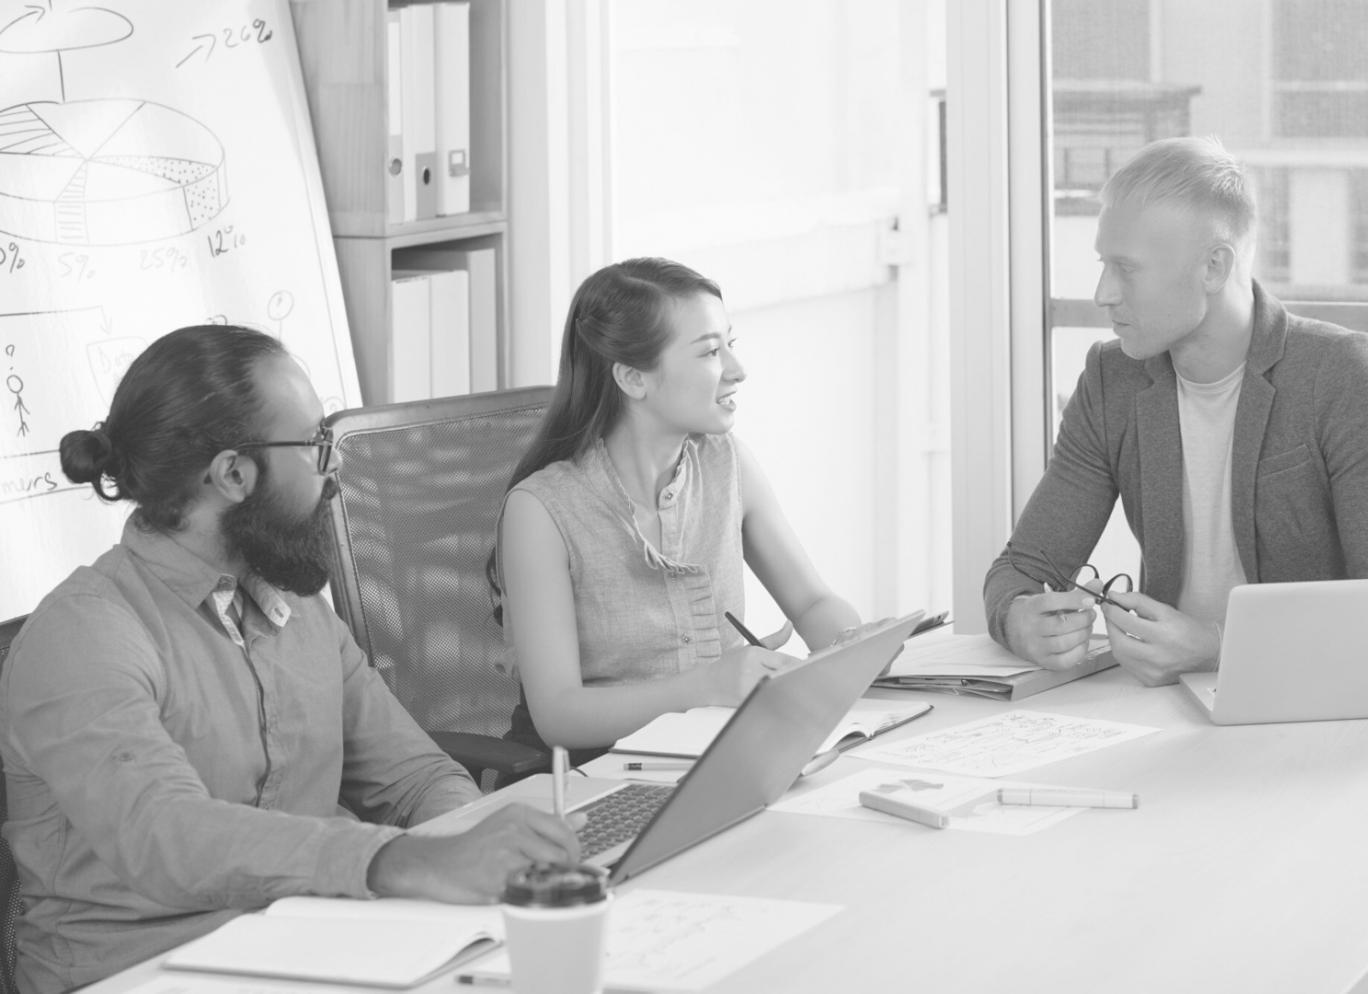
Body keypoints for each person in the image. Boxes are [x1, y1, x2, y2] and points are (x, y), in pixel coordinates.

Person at [0, 326, 581, 993]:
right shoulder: (84, 635)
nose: (335, 471)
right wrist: (400, 862)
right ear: (233, 474)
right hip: (143, 972)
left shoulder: (297, 608)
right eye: (315, 446)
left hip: (309, 946)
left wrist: (477, 849)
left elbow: (412, 778)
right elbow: (164, 833)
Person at [983, 136, 1368, 686]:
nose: (1104, 293)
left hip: (1316, 708)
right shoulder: (1112, 380)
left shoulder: (1347, 377)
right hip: (1169, 707)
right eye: (1105, 264)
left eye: (1127, 269)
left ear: (1214, 267)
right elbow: (1021, 568)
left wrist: (1220, 648)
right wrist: (1019, 618)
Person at [494, 257, 861, 755]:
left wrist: (856, 648)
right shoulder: (540, 511)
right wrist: (706, 686)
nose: (737, 370)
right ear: (633, 378)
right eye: (711, 352)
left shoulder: (728, 464)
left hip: (724, 752)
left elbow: (812, 602)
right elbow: (559, 715)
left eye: (731, 345)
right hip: (598, 775)